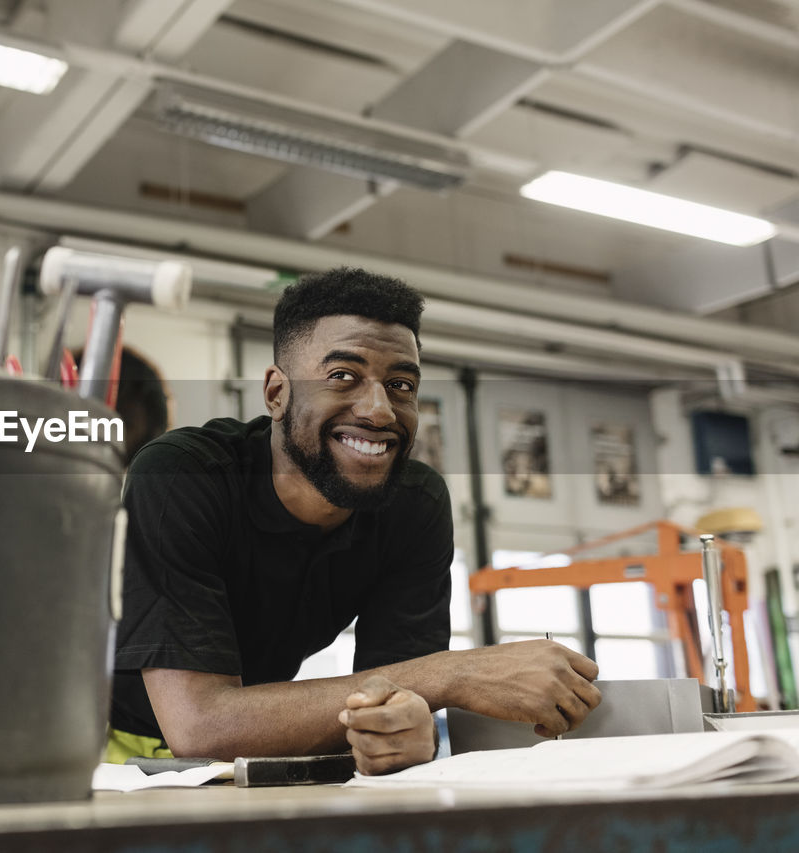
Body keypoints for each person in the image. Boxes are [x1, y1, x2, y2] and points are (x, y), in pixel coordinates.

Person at [108, 267, 601, 776]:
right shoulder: (184, 475)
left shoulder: (414, 503)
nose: (379, 410)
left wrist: (401, 732)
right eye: (343, 376)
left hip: (262, 744)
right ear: (276, 394)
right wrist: (458, 674)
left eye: (401, 384)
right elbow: (198, 727)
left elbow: (399, 692)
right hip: (115, 746)